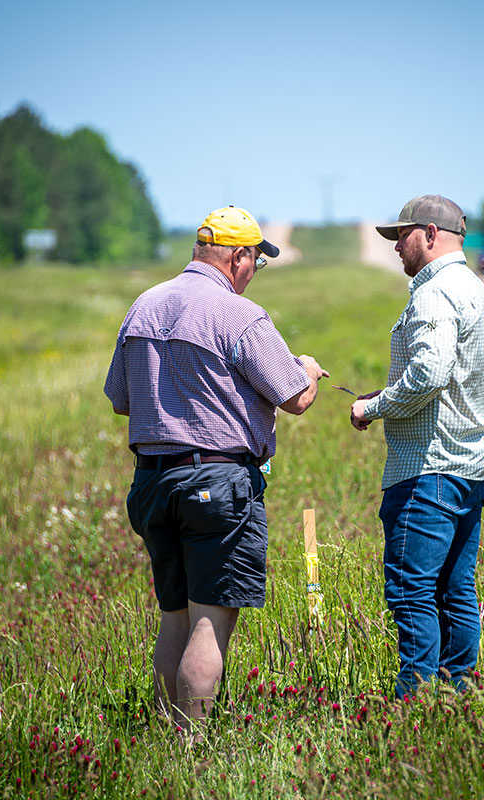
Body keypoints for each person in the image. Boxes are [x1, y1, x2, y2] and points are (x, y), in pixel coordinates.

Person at [104, 205, 329, 735]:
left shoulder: (143, 306)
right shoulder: (238, 315)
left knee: (174, 617)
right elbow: (295, 399)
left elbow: (120, 400)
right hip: (217, 483)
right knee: (209, 621)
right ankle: (192, 744)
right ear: (239, 257)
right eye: (256, 262)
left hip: (153, 481)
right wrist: (309, 371)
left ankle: (164, 734)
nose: (254, 273)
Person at [348, 195, 484, 698]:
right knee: (456, 592)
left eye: (402, 236)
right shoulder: (480, 292)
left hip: (429, 469)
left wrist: (372, 408)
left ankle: (416, 703)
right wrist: (392, 396)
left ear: (431, 235)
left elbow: (431, 374)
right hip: (473, 467)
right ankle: (459, 695)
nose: (397, 247)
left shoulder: (433, 295)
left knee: (412, 592)